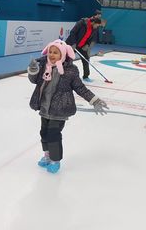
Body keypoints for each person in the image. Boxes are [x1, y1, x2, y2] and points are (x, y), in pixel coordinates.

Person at [27, 39, 108, 174]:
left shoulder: (70, 70)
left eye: (56, 53)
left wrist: (94, 100)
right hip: (44, 108)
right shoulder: (43, 66)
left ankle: (55, 160)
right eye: (50, 52)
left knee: (53, 134)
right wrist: (33, 71)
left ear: (63, 55)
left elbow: (80, 88)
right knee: (44, 133)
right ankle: (47, 156)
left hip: (60, 109)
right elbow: (34, 81)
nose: (52, 55)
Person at [66, 14, 102, 82]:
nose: (97, 27)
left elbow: (91, 38)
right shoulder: (82, 23)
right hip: (72, 44)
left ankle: (86, 76)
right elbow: (72, 33)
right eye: (97, 25)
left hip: (82, 46)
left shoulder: (94, 28)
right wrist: (73, 44)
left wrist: (87, 45)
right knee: (67, 60)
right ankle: (64, 75)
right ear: (93, 23)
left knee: (86, 59)